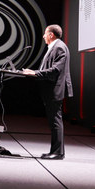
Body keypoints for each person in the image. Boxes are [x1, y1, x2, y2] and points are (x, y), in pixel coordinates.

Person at [22, 24, 73, 159]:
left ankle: (58, 153)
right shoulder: (54, 47)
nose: (44, 36)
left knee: (55, 120)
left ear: (51, 35)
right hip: (50, 89)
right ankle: (55, 151)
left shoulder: (60, 47)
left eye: (45, 33)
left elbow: (55, 70)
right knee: (53, 121)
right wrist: (34, 72)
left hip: (55, 89)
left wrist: (35, 73)